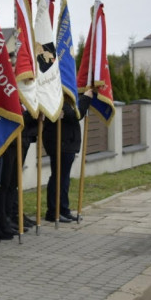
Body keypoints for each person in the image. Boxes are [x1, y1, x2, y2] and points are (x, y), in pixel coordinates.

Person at [42, 92, 92, 222]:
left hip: (67, 142)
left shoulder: (68, 96)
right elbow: (75, 114)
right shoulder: (56, 94)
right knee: (58, 177)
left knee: (63, 179)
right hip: (59, 141)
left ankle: (63, 209)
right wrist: (86, 98)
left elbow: (73, 113)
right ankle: (53, 212)